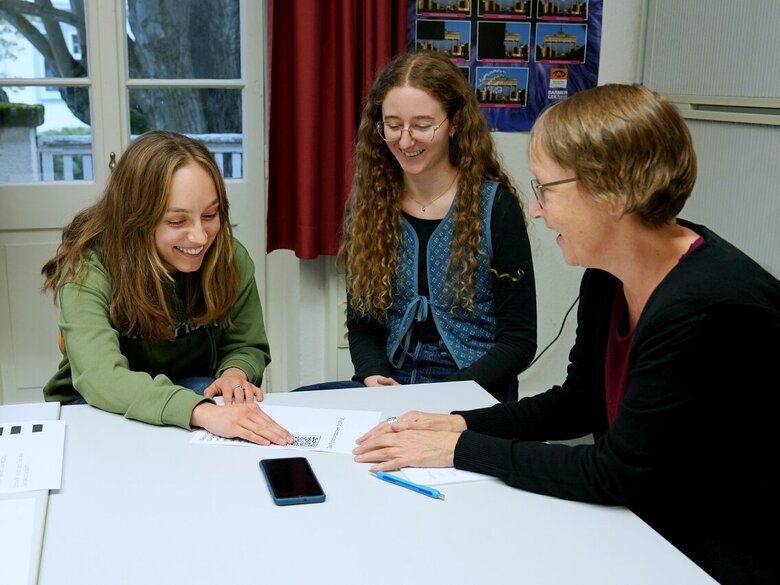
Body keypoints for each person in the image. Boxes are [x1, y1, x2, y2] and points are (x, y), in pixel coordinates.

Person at [353, 84, 780, 584]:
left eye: (546, 189)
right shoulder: (609, 274)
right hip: (653, 521)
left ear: (614, 190)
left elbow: (615, 473)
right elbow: (579, 403)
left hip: (725, 548)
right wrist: (460, 424)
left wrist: (457, 450)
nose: (536, 210)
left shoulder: (708, 306)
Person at [296, 51, 537, 402]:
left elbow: (518, 341)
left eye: (423, 126)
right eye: (393, 125)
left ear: (454, 123)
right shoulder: (370, 204)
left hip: (473, 387)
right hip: (394, 381)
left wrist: (446, 394)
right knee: (295, 406)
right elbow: (363, 323)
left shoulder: (496, 207)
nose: (405, 141)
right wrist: (372, 375)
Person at [41, 130, 293, 446]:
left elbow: (248, 345)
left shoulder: (230, 258)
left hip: (191, 390)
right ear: (135, 218)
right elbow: (100, 376)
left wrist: (236, 374)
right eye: (177, 222)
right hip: (93, 404)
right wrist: (201, 412)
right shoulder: (91, 268)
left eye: (210, 215)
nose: (201, 237)